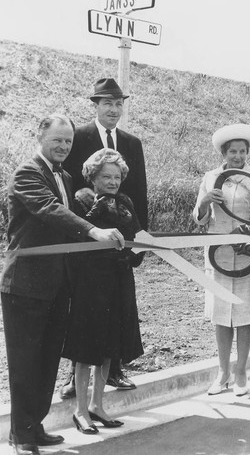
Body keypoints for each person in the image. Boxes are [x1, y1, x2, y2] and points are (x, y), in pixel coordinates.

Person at [0, 115, 124, 455]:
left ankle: (36, 427)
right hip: (24, 285)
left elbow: (82, 213)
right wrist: (93, 231)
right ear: (41, 137)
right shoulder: (28, 173)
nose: (63, 146)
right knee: (25, 363)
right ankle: (21, 436)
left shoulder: (67, 176)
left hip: (58, 284)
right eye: (57, 140)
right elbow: (50, 209)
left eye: (68, 142)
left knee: (47, 361)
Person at [61, 77, 148, 396]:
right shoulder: (79, 136)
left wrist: (141, 241)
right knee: (84, 308)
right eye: (107, 103)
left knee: (119, 306)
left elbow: (140, 193)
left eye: (119, 103)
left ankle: (114, 371)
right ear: (96, 106)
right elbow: (69, 186)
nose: (114, 109)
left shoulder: (132, 142)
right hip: (87, 236)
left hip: (122, 240)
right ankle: (74, 376)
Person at [62, 148, 144, 434]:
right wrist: (101, 205)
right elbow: (79, 236)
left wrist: (136, 252)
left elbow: (135, 237)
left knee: (110, 346)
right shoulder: (81, 199)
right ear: (93, 177)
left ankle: (98, 405)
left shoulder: (125, 201)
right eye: (106, 176)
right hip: (90, 283)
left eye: (117, 176)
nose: (113, 181)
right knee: (87, 348)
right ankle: (80, 410)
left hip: (119, 281)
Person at [193, 124, 250, 396]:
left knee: (244, 313)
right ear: (224, 152)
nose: (237, 156)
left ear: (247, 152)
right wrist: (205, 201)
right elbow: (200, 218)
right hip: (218, 251)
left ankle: (241, 372)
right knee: (221, 314)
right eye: (232, 151)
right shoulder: (211, 176)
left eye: (242, 151)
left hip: (247, 251)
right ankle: (223, 372)